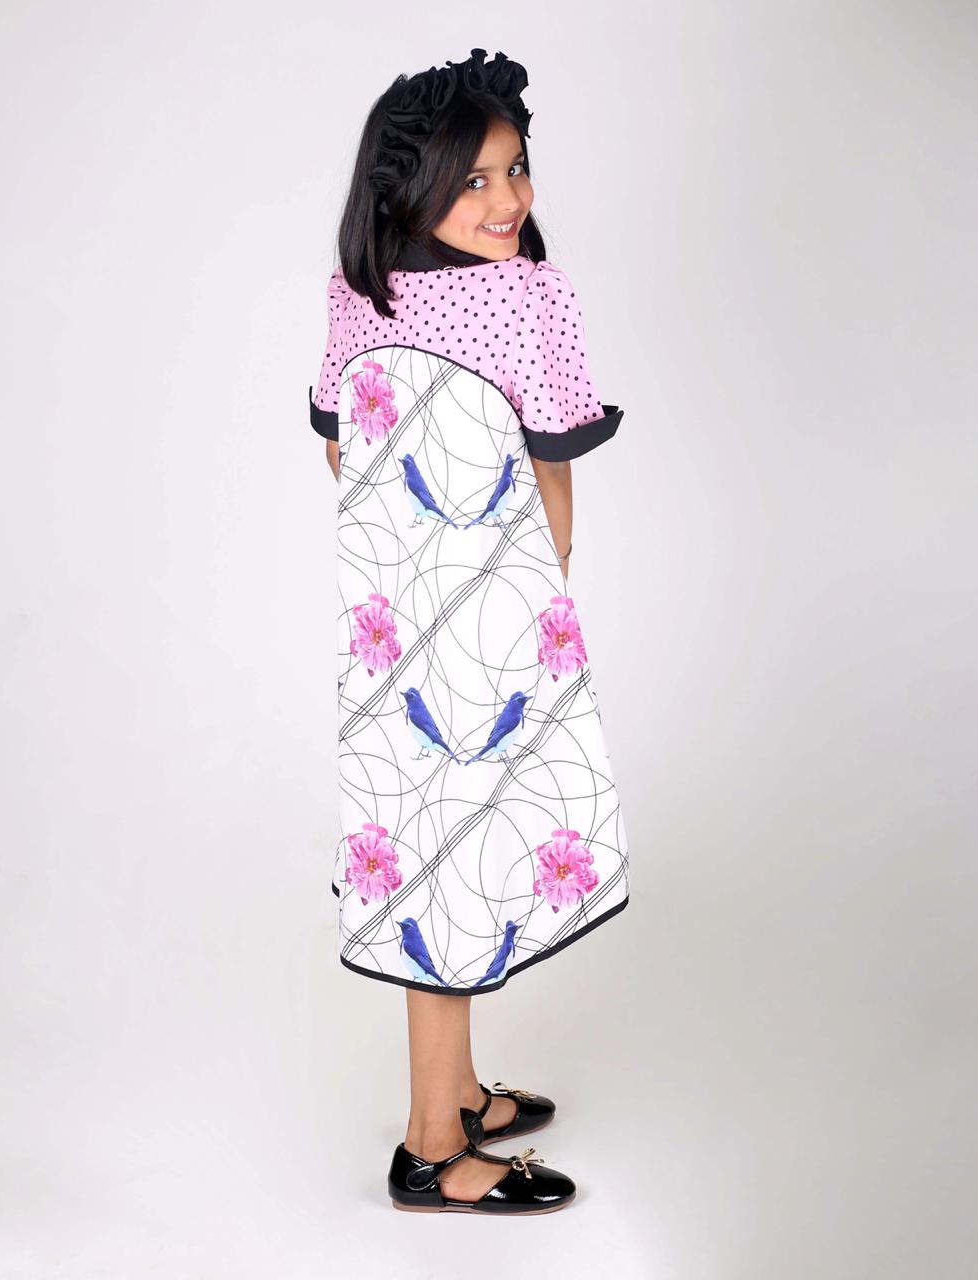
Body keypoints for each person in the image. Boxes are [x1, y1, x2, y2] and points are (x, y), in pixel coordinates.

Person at [307, 47, 631, 1215]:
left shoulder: (360, 291)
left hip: (391, 628)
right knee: (461, 861)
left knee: (431, 856)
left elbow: (340, 446)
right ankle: (431, 1146)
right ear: (412, 182)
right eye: (476, 179)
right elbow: (554, 478)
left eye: (516, 170)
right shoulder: (533, 297)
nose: (507, 201)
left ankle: (455, 1094)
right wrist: (532, 596)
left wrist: (415, 566)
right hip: (496, 624)